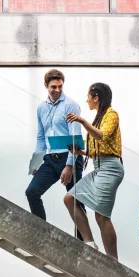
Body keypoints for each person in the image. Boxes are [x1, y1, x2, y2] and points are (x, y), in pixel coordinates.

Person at [63, 83, 123, 259]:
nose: (86, 100)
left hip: (110, 168)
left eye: (88, 96)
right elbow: (98, 147)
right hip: (98, 167)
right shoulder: (99, 116)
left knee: (102, 215)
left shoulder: (111, 114)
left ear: (96, 97)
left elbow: (101, 135)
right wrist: (80, 151)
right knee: (70, 198)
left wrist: (82, 120)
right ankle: (89, 243)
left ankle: (113, 262)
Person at [25, 69, 85, 239]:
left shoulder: (70, 105)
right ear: (46, 86)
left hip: (69, 158)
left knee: (76, 202)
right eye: (53, 87)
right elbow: (41, 136)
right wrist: (36, 163)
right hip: (50, 160)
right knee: (32, 192)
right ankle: (42, 234)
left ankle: (83, 244)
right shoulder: (41, 108)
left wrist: (69, 165)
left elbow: (75, 137)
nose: (57, 90)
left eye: (60, 86)